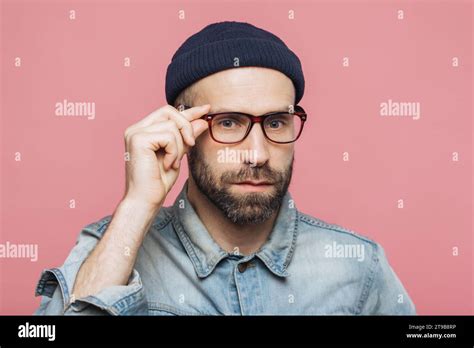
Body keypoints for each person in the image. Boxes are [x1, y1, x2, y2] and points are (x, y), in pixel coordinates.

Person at [34, 21, 416, 315]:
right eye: (229, 122)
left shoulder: (357, 265)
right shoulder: (113, 246)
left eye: (276, 122)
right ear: (182, 130)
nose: (257, 154)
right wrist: (136, 206)